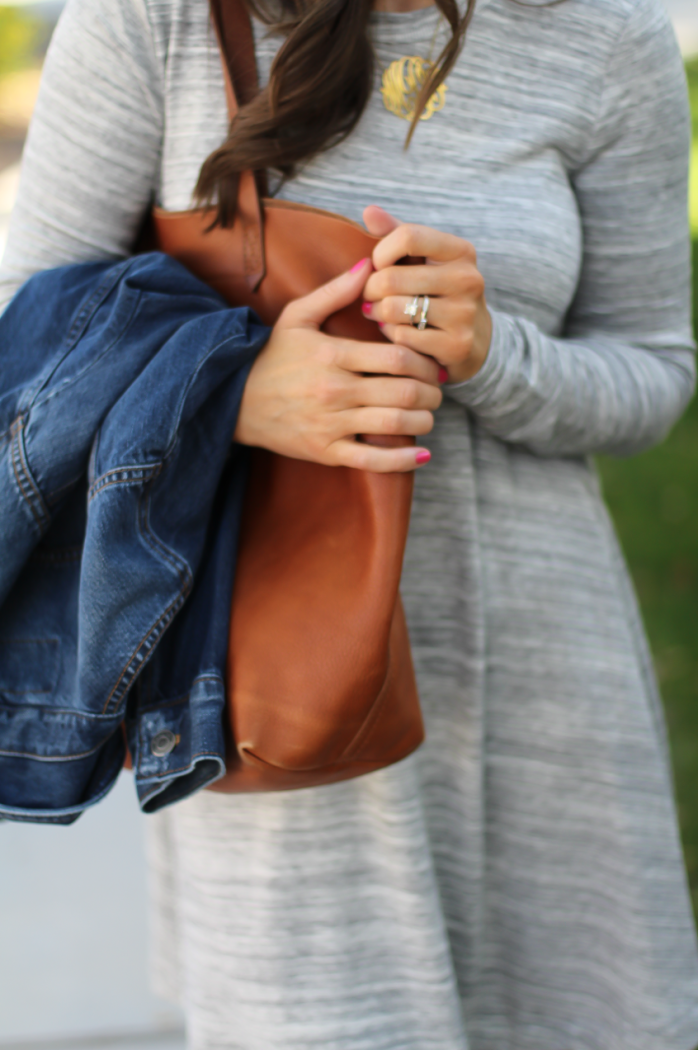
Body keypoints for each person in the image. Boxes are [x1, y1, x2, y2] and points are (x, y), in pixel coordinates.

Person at [1, 0, 697, 1045]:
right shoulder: (157, 24)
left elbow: (651, 372)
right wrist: (232, 398)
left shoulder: (606, 33)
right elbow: (26, 354)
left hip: (547, 699)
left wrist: (486, 352)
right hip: (272, 688)